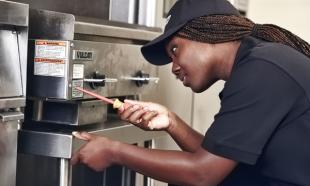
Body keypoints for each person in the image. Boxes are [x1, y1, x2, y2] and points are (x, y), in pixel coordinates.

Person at [71, 0, 310, 185]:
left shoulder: (262, 70)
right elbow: (219, 157)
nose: (174, 67)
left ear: (208, 33)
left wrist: (115, 152)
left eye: (175, 49)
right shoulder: (257, 65)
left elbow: (202, 174)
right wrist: (172, 122)